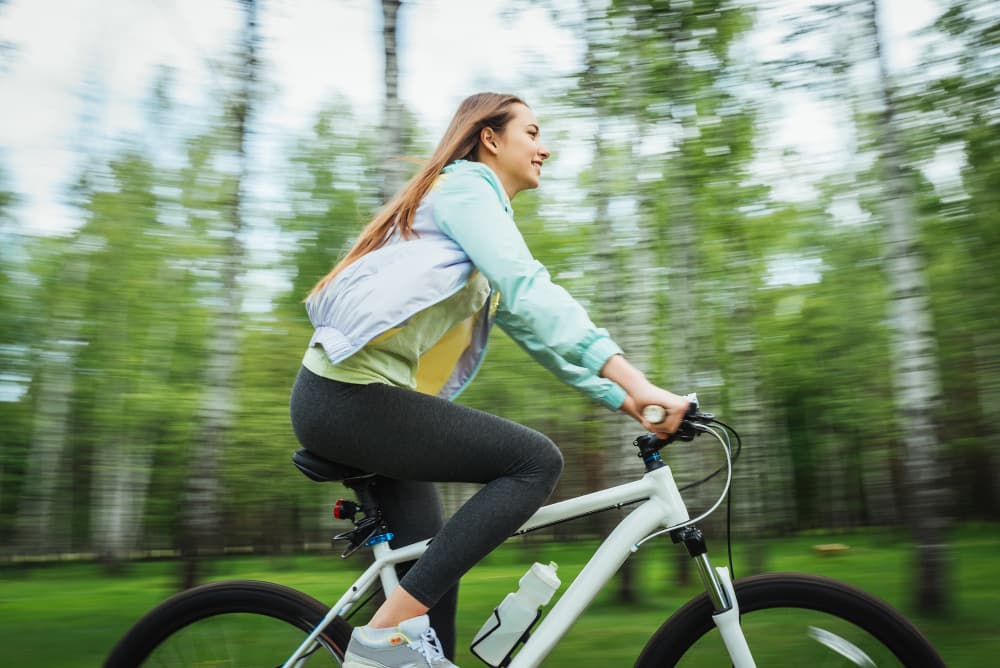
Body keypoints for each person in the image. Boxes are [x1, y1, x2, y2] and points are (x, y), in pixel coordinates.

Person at [289, 92, 689, 668]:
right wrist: (639, 380)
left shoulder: (476, 220)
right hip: (347, 398)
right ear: (490, 139)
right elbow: (531, 286)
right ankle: (378, 637)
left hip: (360, 403)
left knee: (432, 587)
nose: (544, 148)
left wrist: (627, 399)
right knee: (534, 462)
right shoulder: (465, 188)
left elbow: (537, 333)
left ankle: (395, 641)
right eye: (532, 132)